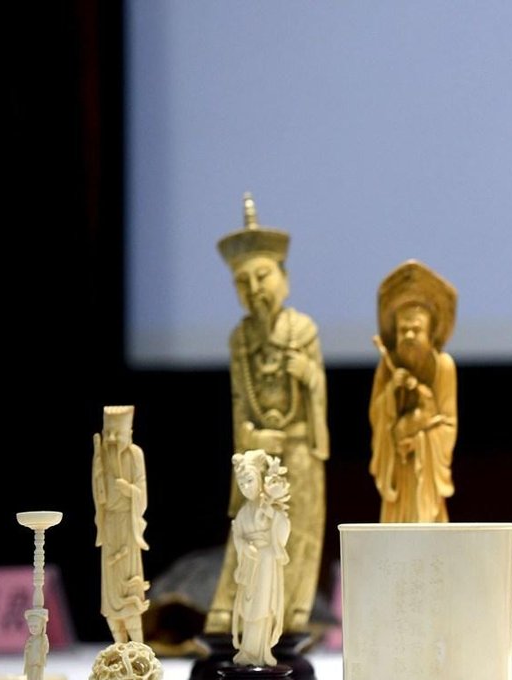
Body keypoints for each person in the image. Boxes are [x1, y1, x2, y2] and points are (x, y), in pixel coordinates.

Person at [207, 193, 328, 634]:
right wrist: (252, 438)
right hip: (258, 453)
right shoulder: (240, 340)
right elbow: (241, 404)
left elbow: (318, 396)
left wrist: (308, 376)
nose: (255, 289)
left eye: (263, 276)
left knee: (298, 530)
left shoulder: (302, 329)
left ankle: (294, 611)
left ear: (284, 278)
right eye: (243, 282)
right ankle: (234, 613)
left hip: (298, 449)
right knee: (250, 532)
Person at [369, 260, 457, 523]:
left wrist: (419, 438)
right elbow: (376, 415)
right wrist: (392, 391)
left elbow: (448, 423)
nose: (408, 336)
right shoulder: (388, 366)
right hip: (399, 467)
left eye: (416, 330)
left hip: (424, 469)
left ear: (430, 332)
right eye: (402, 330)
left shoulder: (443, 366)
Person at [93, 405, 150, 643]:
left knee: (129, 582)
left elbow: (142, 491)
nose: (113, 439)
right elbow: (98, 494)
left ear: (130, 433)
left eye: (118, 433)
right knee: (111, 589)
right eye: (109, 433)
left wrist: (130, 490)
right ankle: (118, 645)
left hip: (128, 522)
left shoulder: (135, 454)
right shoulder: (102, 456)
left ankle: (138, 646)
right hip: (110, 524)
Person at [230, 450, 290, 667]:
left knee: (262, 607)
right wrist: (244, 546)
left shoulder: (270, 506)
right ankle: (247, 652)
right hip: (250, 563)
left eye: (249, 481)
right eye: (241, 484)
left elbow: (283, 527)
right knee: (247, 608)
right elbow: (238, 534)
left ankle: (262, 652)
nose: (246, 487)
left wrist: (271, 513)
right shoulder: (243, 512)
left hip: (266, 561)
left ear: (259, 479)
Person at [23, 608, 49, 680]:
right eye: (30, 626)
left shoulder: (43, 638)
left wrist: (44, 643)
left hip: (37, 662)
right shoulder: (30, 639)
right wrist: (27, 648)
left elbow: (46, 650)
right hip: (30, 662)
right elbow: (27, 651)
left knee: (36, 677)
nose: (33, 629)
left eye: (35, 626)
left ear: (42, 626)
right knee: (30, 676)